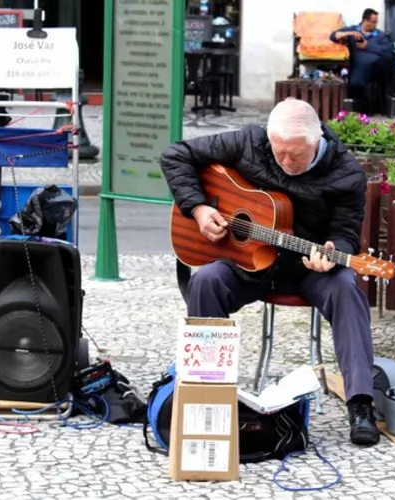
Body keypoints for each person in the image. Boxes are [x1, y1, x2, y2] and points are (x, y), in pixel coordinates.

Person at [159, 98, 381, 447]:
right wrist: (199, 208)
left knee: (346, 286)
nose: (287, 162)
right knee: (205, 280)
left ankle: (361, 403)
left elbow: (346, 233)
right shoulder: (250, 142)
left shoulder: (346, 173)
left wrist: (335, 251)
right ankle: (207, 394)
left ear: (317, 140)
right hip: (247, 264)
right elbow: (176, 155)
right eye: (280, 154)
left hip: (307, 269)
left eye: (296, 154)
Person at [330, 9, 395, 114]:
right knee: (356, 82)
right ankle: (364, 112)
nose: (375, 25)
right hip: (359, 65)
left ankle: (381, 105)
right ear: (365, 20)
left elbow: (388, 50)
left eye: (376, 22)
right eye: (373, 22)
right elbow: (333, 36)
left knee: (388, 60)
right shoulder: (353, 31)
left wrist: (367, 46)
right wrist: (349, 33)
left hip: (378, 67)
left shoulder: (379, 35)